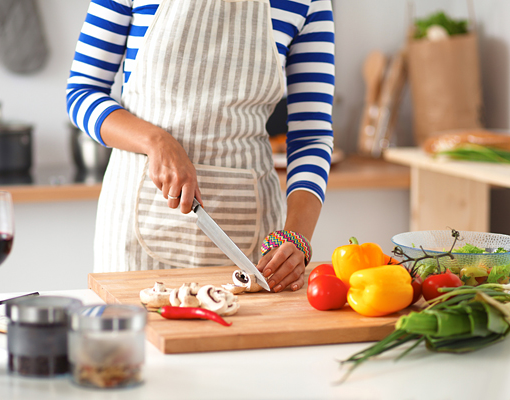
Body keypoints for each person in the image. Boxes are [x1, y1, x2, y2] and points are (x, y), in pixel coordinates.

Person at [67, 0, 335, 293]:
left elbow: (311, 134)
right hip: (134, 227)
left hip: (247, 233)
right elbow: (82, 91)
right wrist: (156, 141)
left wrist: (297, 236)